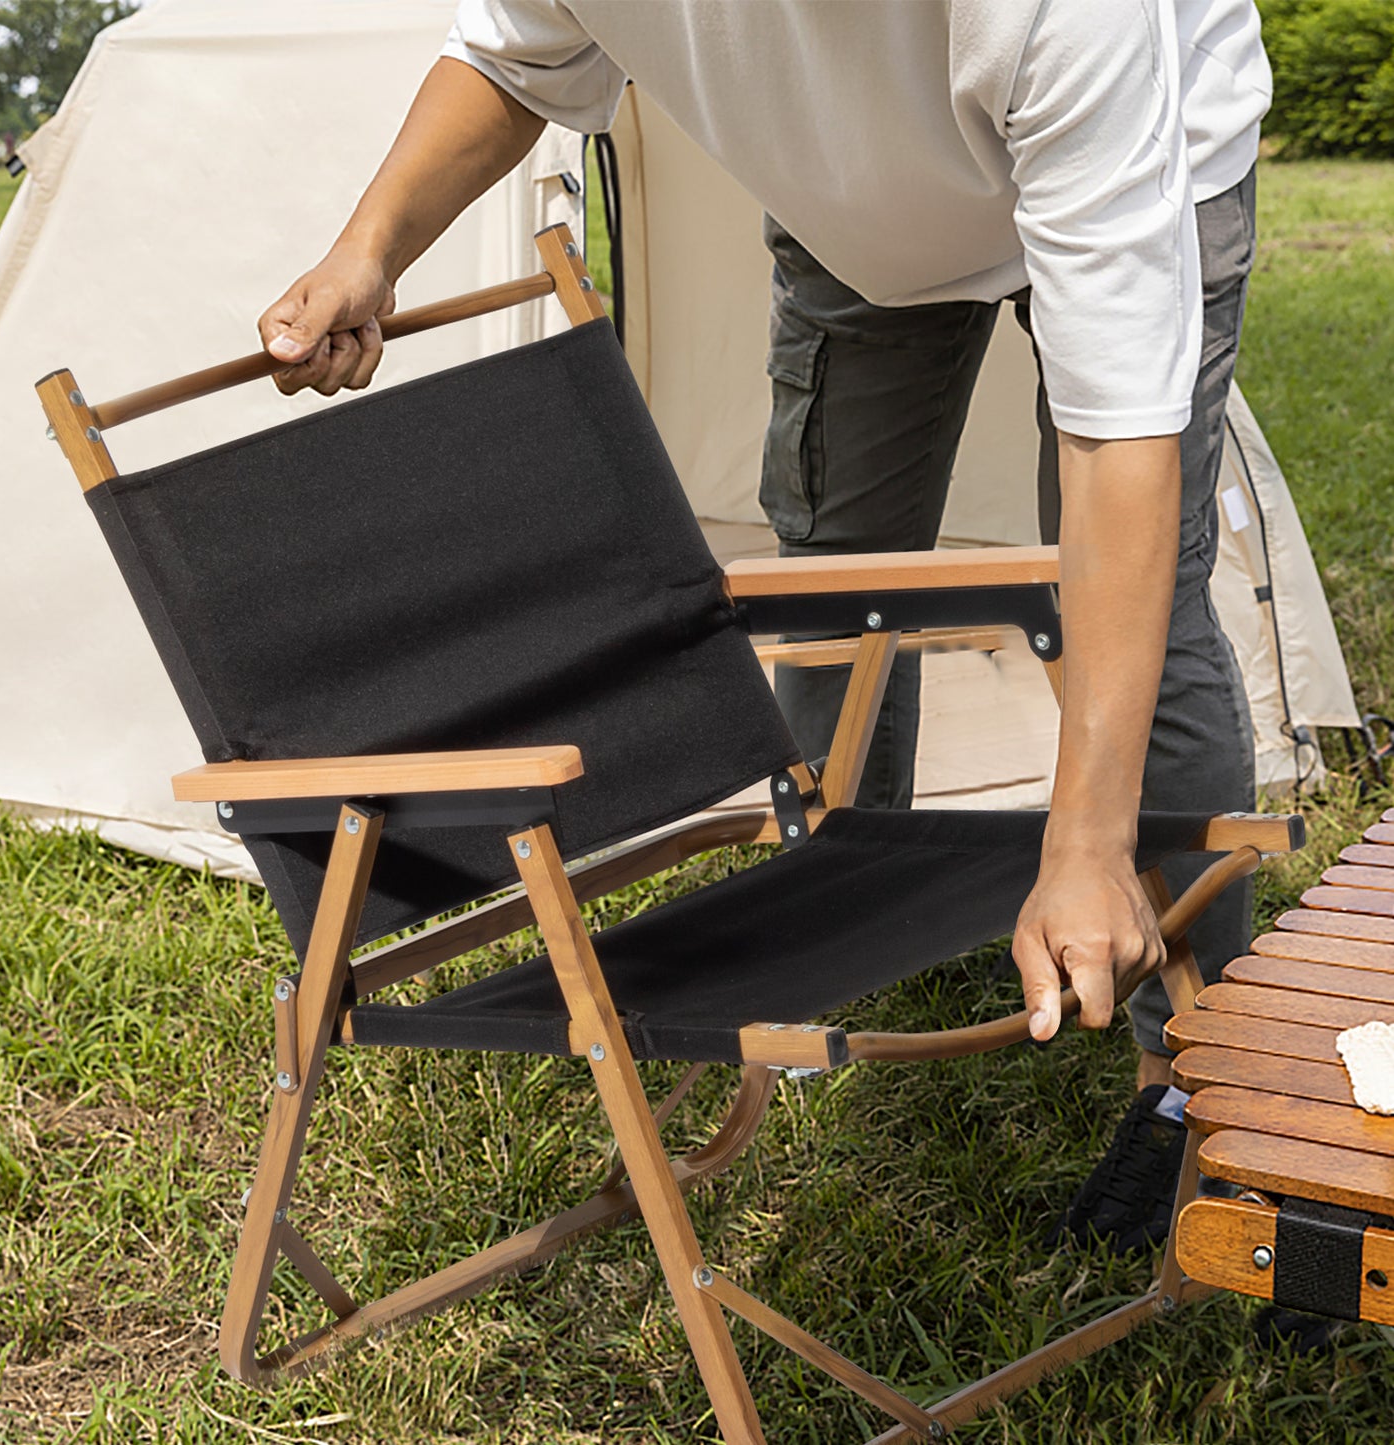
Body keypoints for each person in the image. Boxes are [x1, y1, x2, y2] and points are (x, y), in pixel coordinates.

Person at [258, 1, 1269, 1251]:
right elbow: (514, 56)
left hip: (1138, 155)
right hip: (855, 225)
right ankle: (846, 906)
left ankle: (1194, 1070)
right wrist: (374, 245)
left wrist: (1082, 838)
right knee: (840, 578)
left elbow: (1120, 439)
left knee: (1139, 611)